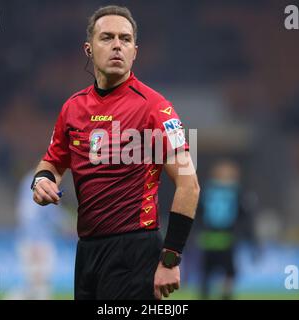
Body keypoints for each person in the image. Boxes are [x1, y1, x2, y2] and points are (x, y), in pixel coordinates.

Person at [31, 5, 200, 300]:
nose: (117, 45)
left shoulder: (155, 107)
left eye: (125, 39)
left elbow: (189, 184)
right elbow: (53, 162)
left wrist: (170, 259)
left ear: (135, 51)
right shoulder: (73, 108)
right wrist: (43, 180)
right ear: (89, 48)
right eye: (107, 37)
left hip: (135, 252)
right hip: (87, 253)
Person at [198, 160, 257, 300]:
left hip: (209, 237)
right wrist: (251, 237)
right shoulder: (236, 191)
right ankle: (226, 296)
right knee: (229, 273)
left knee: (207, 272)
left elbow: (199, 213)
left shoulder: (206, 191)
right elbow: (244, 216)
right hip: (227, 237)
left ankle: (205, 295)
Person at [8, 171, 70, 300]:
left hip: (30, 239)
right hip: (38, 241)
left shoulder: (29, 180)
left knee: (35, 284)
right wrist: (34, 241)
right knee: (40, 284)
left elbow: (26, 212)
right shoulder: (44, 183)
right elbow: (35, 214)